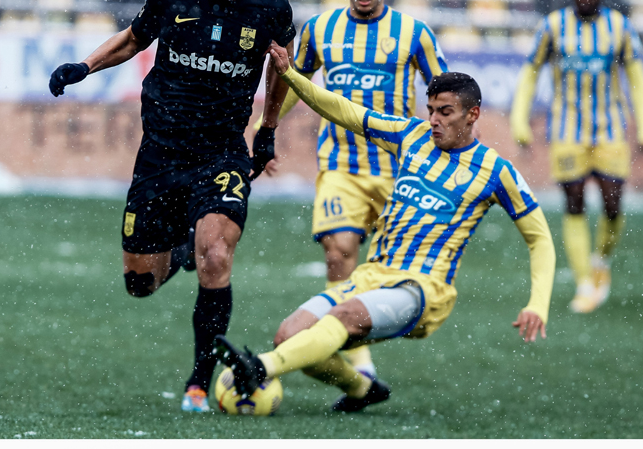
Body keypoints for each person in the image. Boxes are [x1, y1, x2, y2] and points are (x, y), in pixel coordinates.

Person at [213, 42, 555, 413]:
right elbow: (344, 110)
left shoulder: (496, 171)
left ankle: (259, 367)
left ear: (472, 115)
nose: (434, 120)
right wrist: (290, 75)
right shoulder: (412, 136)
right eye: (431, 110)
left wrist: (537, 304)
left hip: (422, 287)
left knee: (342, 318)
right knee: (289, 336)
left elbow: (539, 239)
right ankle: (362, 388)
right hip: (373, 275)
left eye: (445, 112)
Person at [47, 0, 296, 412]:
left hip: (221, 153)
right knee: (140, 283)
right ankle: (182, 250)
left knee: (217, 256)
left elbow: (280, 67)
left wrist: (267, 131)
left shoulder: (271, 9)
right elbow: (133, 38)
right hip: (160, 154)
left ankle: (199, 382)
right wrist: (84, 66)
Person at [256, 0, 449, 378]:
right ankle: (359, 362)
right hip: (341, 165)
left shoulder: (414, 33)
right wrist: (263, 128)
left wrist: (450, 143)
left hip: (399, 172)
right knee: (339, 252)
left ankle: (358, 330)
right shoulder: (320, 29)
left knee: (395, 269)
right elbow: (295, 83)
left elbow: (443, 93)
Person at [510, 0, 643, 314]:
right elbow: (530, 73)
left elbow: (637, 78)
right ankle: (584, 283)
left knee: (612, 203)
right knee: (574, 202)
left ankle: (600, 261)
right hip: (567, 130)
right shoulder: (553, 26)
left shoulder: (619, 27)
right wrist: (519, 119)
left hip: (609, 129)